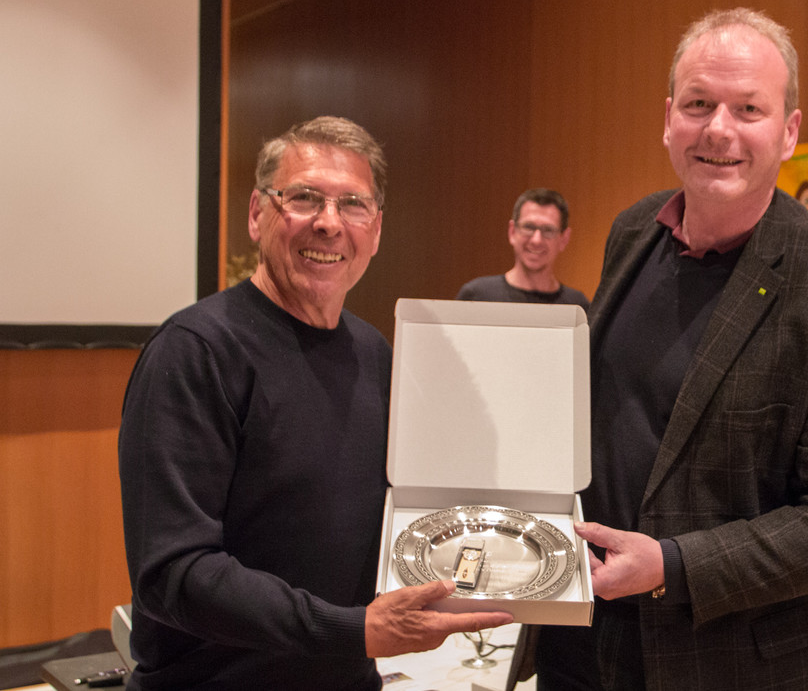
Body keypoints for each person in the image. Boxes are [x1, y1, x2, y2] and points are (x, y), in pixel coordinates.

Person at [534, 8, 808, 690]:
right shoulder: (632, 232)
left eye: (749, 108)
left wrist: (674, 567)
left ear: (789, 131)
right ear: (668, 117)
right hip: (579, 642)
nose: (718, 129)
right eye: (699, 104)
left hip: (723, 662)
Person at [118, 116, 512, 690]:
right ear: (257, 214)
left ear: (376, 230)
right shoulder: (195, 352)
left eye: (353, 205)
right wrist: (350, 630)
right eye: (303, 198)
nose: (329, 223)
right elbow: (172, 572)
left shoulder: (373, 353)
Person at [456, 187, 590, 310]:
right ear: (512, 232)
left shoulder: (577, 307)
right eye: (529, 227)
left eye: (548, 230)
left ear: (564, 239)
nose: (536, 240)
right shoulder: (477, 297)